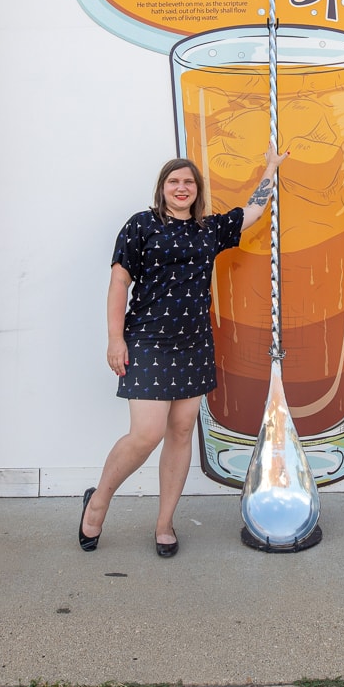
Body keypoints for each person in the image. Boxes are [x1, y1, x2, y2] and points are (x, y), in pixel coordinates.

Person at [78, 146, 285, 557]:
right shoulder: (141, 226)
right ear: (162, 188)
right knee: (146, 434)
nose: (181, 187)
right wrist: (114, 338)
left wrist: (270, 168)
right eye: (174, 181)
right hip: (148, 339)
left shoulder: (208, 230)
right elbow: (119, 284)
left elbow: (253, 212)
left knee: (180, 430)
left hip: (194, 343)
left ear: (197, 190)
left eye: (189, 181)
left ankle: (164, 523)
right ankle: (98, 499)